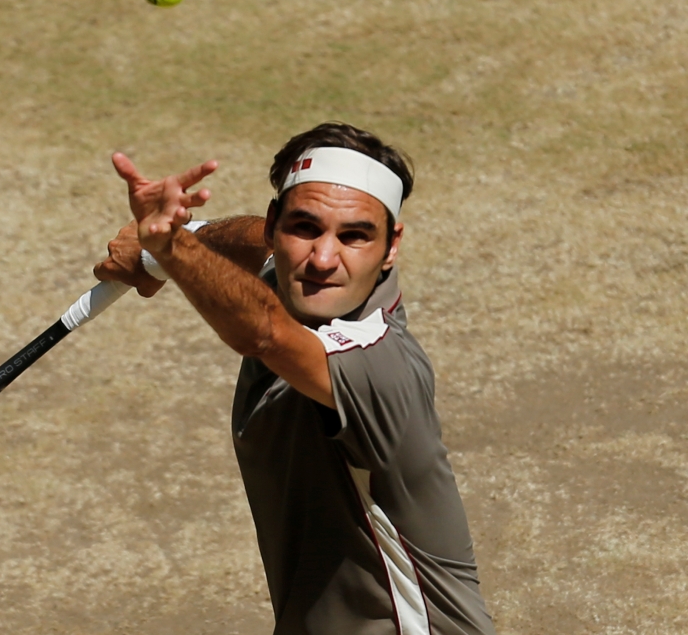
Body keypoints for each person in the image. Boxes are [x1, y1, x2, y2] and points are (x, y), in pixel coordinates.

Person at [95, 122, 496, 635]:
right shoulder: (289, 274)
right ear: (274, 225)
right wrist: (184, 238)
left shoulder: (378, 362)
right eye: (305, 227)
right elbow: (248, 246)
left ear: (391, 246)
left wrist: (171, 249)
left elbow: (267, 335)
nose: (324, 259)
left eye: (355, 235)